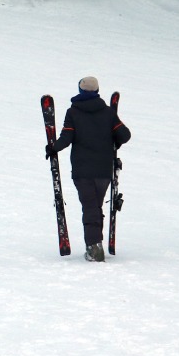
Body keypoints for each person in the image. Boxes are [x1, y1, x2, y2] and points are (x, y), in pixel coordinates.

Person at [47, 76, 130, 262]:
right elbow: (124, 135)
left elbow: (66, 138)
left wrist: (52, 148)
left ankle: (94, 247)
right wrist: (114, 140)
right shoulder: (108, 113)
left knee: (90, 207)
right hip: (104, 170)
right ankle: (95, 243)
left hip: (82, 170)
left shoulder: (74, 112)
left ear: (80, 90)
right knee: (95, 206)